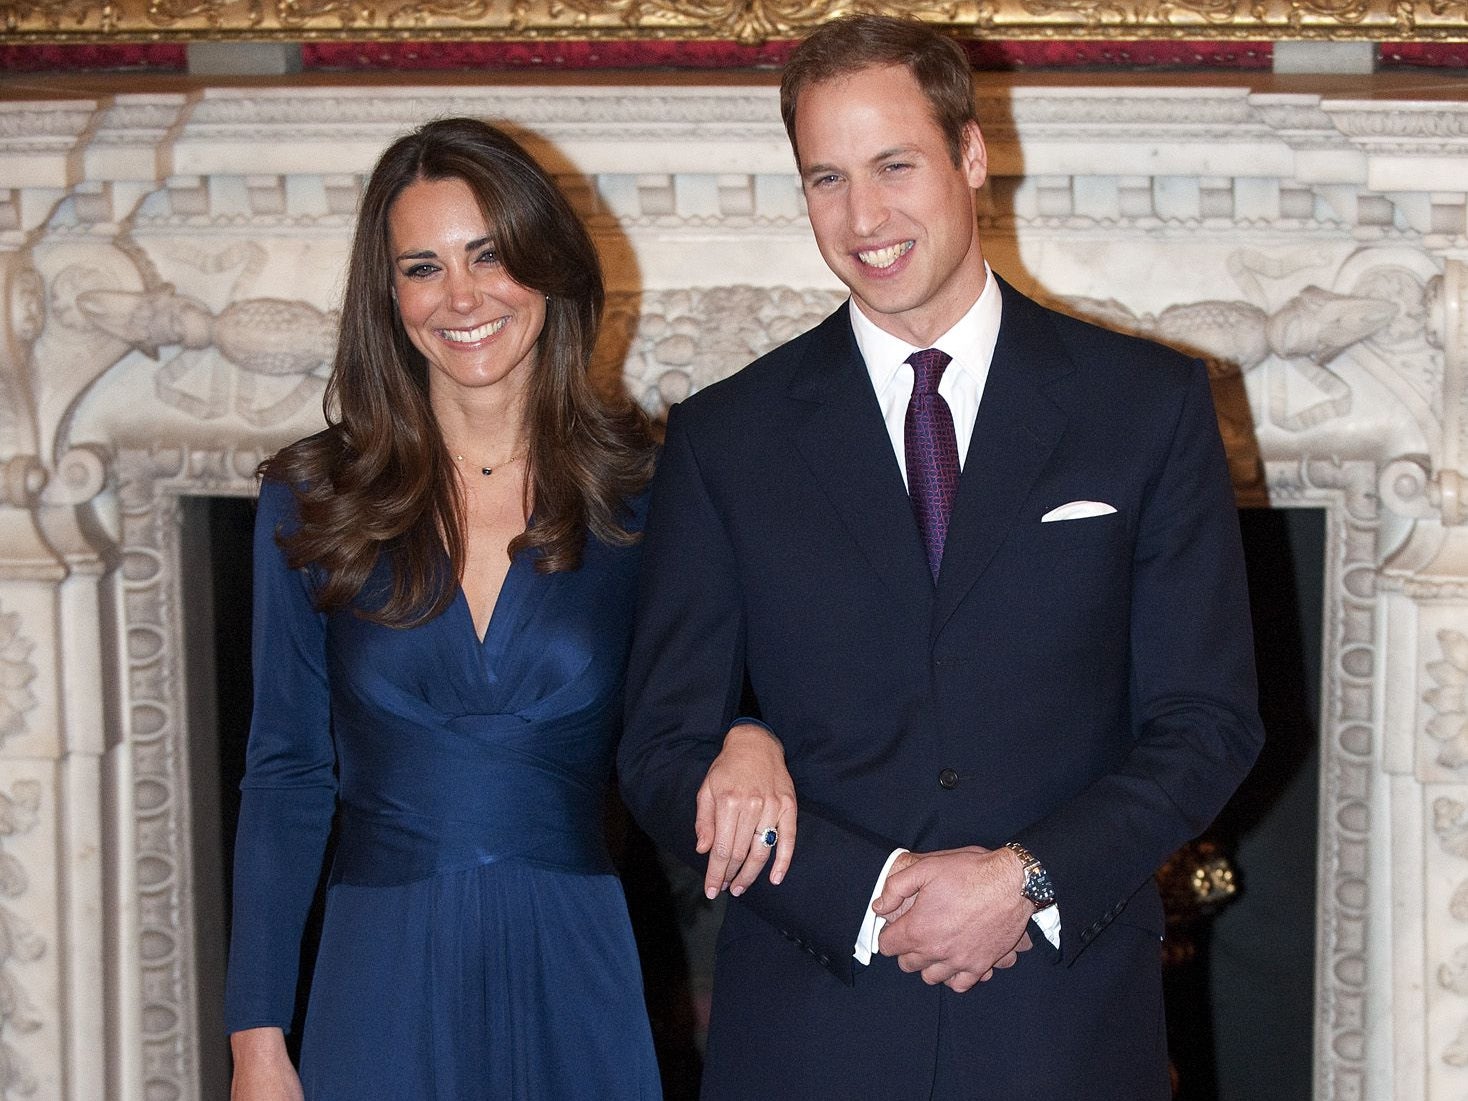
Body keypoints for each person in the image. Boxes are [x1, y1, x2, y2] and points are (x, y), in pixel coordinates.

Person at [618, 14, 1266, 1099]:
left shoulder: (1144, 407)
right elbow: (658, 748)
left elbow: (1208, 722)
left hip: (1062, 1026)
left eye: (893, 165)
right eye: (825, 178)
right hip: (809, 1026)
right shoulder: (726, 437)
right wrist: (862, 888)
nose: (863, 216)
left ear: (971, 155)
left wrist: (1028, 879)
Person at [224, 117, 677, 1100]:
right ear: (388, 297)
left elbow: (702, 713)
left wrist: (753, 740)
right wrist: (255, 1040)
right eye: (423, 266)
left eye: (489, 255)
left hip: (574, 959)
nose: (461, 296)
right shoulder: (311, 500)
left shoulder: (646, 495)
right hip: (375, 970)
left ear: (547, 266)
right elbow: (286, 774)